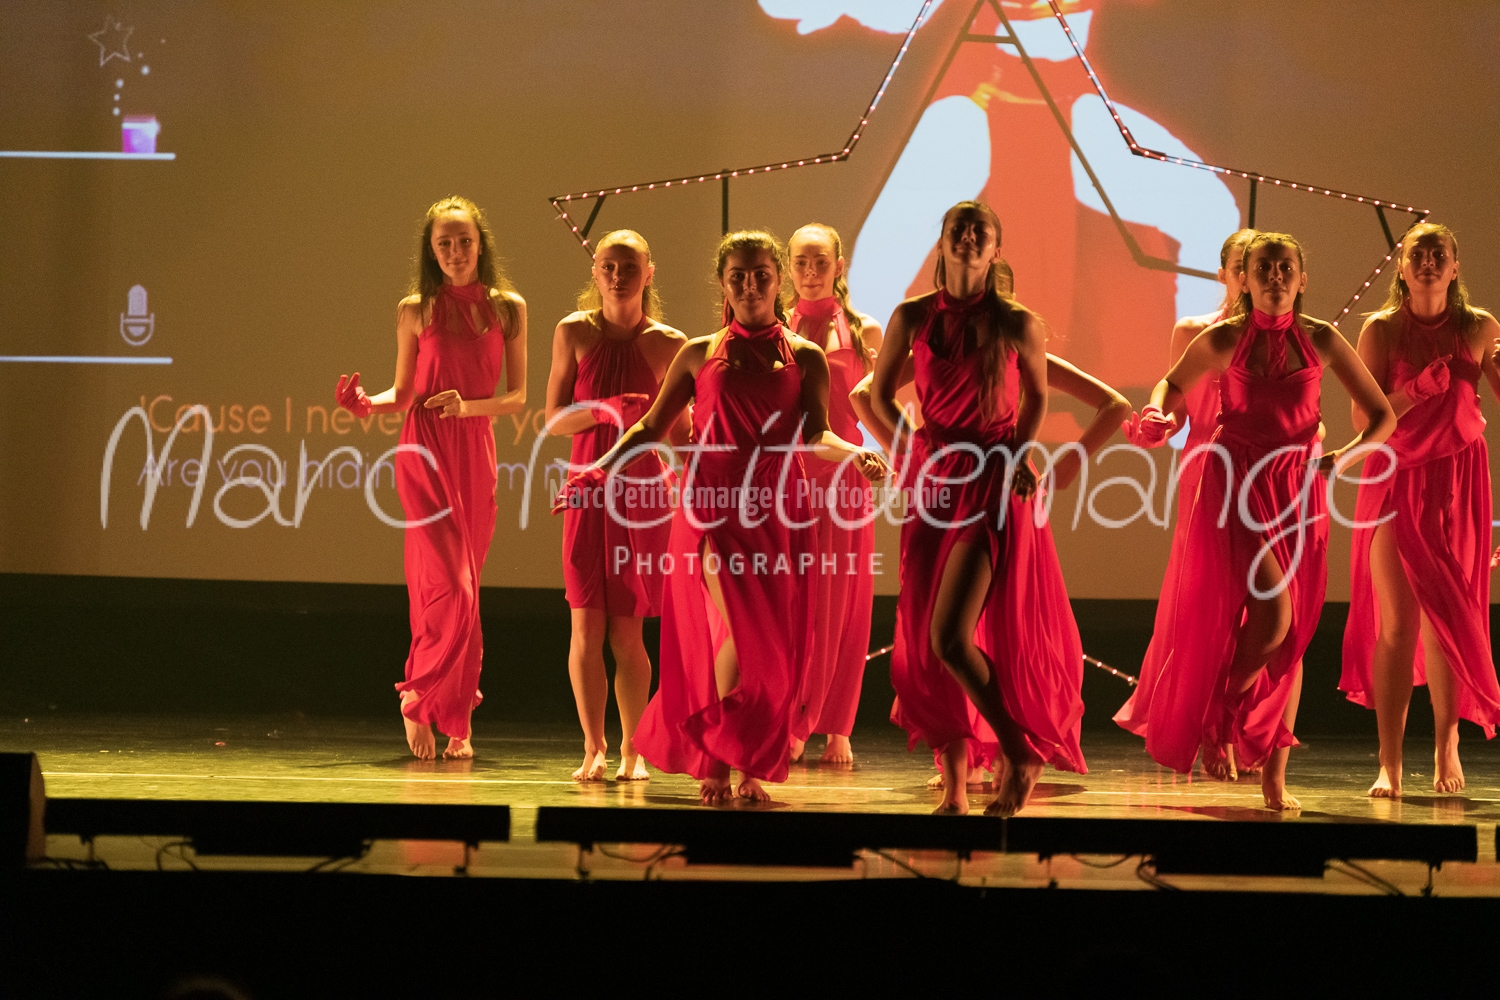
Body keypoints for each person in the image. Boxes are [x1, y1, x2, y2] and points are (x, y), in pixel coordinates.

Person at [559, 230, 888, 804]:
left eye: (761, 275)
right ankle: (719, 757)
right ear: (723, 283)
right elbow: (650, 427)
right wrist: (598, 470)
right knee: (740, 631)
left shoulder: (806, 356)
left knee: (773, 648)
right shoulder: (697, 353)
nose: (750, 285)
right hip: (712, 508)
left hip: (778, 511)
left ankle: (744, 766)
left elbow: (817, 433)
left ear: (778, 281)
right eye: (738, 276)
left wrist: (856, 454)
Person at [1114, 231, 1394, 809]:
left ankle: (1273, 777)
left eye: (1285, 267)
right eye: (1263, 267)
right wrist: (1157, 411)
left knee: (1291, 639)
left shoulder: (1322, 338)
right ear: (1245, 278)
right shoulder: (1224, 338)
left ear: (1302, 278)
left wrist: (1339, 459)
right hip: (1234, 482)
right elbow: (1172, 383)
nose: (1274, 276)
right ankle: (1219, 709)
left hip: (1298, 489)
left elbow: (1382, 417)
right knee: (1271, 620)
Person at [851, 277, 1129, 793]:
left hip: (1000, 489)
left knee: (1001, 625)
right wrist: (912, 454)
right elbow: (863, 395)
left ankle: (1006, 746)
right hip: (943, 489)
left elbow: (1113, 404)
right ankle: (968, 758)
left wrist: (1070, 462)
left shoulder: (1020, 348)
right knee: (948, 626)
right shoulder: (933, 344)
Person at [870, 200, 1087, 816]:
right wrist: (914, 448)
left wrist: (1017, 454)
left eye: (979, 231)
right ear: (942, 243)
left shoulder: (1017, 322)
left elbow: (1037, 397)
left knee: (948, 636)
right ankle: (958, 788)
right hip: (934, 485)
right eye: (957, 230)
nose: (967, 238)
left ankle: (1019, 751)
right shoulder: (912, 316)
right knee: (924, 640)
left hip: (989, 481)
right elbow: (879, 395)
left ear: (995, 249)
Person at [335, 196, 527, 760]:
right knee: (450, 586)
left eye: (464, 241)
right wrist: (365, 404)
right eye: (444, 244)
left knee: (467, 588)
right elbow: (403, 393)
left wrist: (467, 408)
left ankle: (457, 716)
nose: (455, 252)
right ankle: (418, 695)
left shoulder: (508, 308)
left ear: (480, 244)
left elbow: (517, 397)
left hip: (473, 451)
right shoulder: (415, 310)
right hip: (423, 450)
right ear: (431, 251)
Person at [1340, 223, 1500, 797]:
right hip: (1395, 476)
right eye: (1418, 255)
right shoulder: (1381, 330)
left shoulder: (1479, 327)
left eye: (1439, 254)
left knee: (1447, 619)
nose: (1428, 262)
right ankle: (1389, 761)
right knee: (1398, 624)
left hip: (1458, 480)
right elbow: (1364, 422)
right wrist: (1414, 393)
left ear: (1455, 267)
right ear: (1402, 268)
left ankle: (1446, 746)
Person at [545, 230, 687, 782]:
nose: (617, 275)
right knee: (585, 626)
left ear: (649, 273)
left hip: (643, 498)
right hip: (587, 490)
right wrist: (607, 409)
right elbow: (554, 420)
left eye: (628, 266)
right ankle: (593, 747)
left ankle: (632, 748)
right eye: (607, 265)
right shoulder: (573, 331)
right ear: (595, 272)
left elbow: (683, 432)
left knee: (629, 632)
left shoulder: (669, 343)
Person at [785, 223, 884, 765]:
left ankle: (837, 724)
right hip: (792, 473)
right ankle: (796, 715)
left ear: (839, 265)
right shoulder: (776, 326)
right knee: (797, 600)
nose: (810, 271)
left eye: (820, 261)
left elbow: (882, 405)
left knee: (843, 601)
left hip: (845, 475)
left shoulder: (865, 331)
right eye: (801, 262)